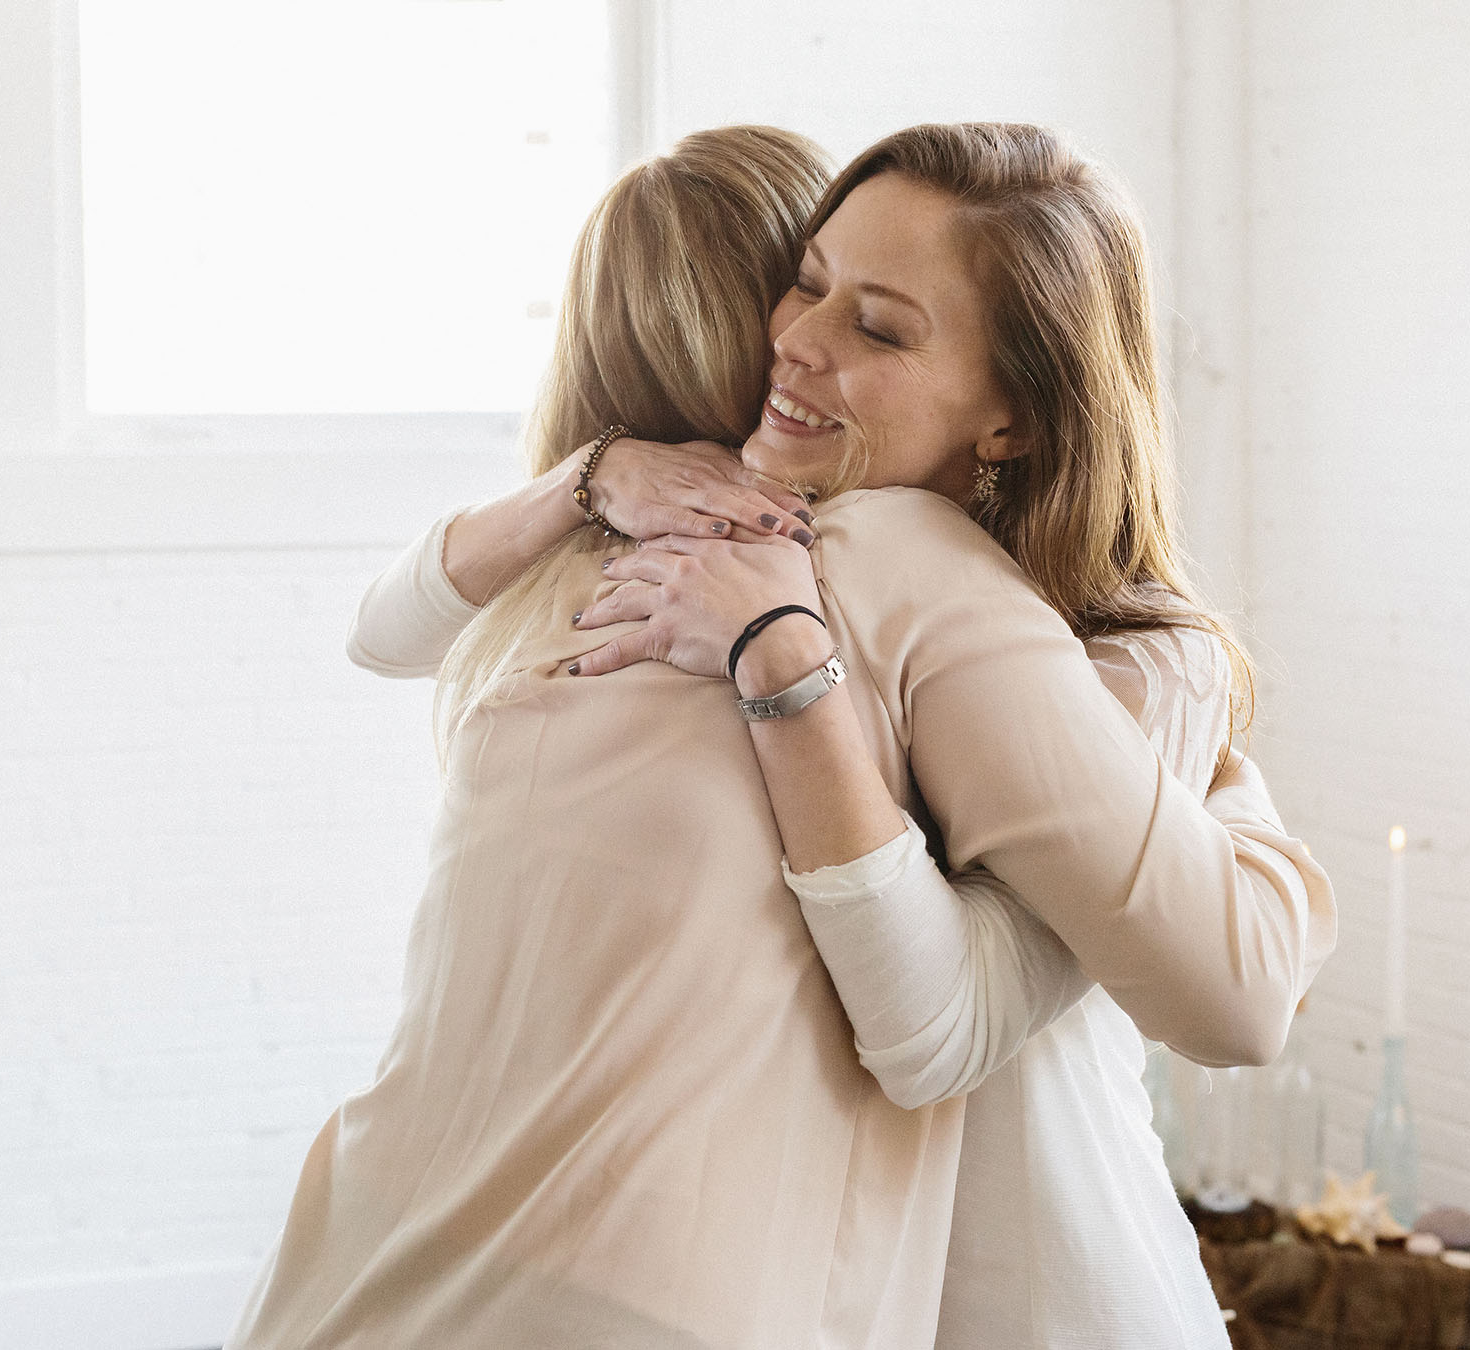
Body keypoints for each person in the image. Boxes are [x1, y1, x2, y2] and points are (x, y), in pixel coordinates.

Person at [255, 122, 1336, 1349]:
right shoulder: (699, 544)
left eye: (878, 326)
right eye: (805, 280)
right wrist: (597, 478)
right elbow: (390, 626)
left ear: (1014, 421)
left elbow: (1182, 997)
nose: (796, 338)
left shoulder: (924, 591)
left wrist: (1209, 765)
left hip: (1005, 1271)